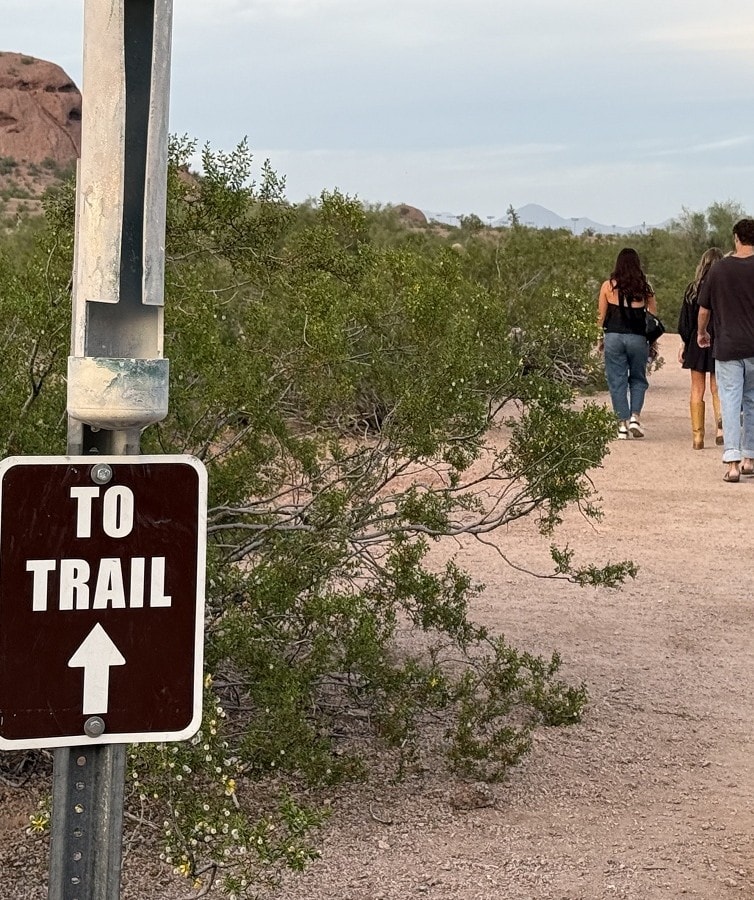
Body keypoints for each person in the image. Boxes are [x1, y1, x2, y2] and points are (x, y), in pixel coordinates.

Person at [697, 218, 754, 482]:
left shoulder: (719, 270)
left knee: (730, 401)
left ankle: (731, 462)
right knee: (752, 402)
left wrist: (701, 332)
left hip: (728, 345)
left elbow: (704, 308)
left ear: (736, 238)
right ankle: (750, 458)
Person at [597, 248, 658, 439]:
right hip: (638, 338)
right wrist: (653, 342)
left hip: (614, 337)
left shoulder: (608, 287)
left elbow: (601, 316)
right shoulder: (645, 288)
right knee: (638, 379)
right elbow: (653, 317)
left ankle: (621, 424)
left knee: (617, 380)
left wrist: (599, 339)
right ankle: (634, 418)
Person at [677, 248, 724, 449]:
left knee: (697, 389)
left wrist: (684, 343)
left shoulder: (692, 289)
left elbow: (685, 323)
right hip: (718, 341)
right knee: (717, 387)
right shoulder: (724, 288)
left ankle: (698, 437)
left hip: (697, 342)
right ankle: (721, 429)